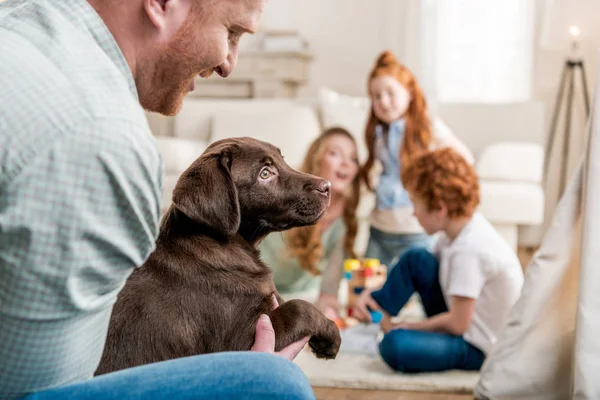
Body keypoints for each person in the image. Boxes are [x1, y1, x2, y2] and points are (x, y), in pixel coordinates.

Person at [0, 0, 314, 399]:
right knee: (273, 382)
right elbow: (41, 389)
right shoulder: (103, 137)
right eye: (231, 33)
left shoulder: (18, 21)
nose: (228, 63)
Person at [354, 148, 524, 373]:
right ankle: (375, 312)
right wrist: (375, 293)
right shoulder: (454, 231)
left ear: (440, 209)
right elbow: (416, 270)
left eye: (415, 203)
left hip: (477, 345)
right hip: (462, 320)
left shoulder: (469, 249)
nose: (413, 213)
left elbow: (458, 324)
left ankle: (385, 329)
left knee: (394, 345)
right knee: (416, 258)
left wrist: (408, 326)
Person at [361, 50, 474, 268]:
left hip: (415, 229)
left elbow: (464, 158)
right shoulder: (378, 134)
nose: (383, 101)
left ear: (410, 93)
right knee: (366, 285)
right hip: (380, 228)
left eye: (390, 93)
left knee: (423, 284)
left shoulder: (428, 129)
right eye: (376, 96)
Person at [260, 127, 360, 321]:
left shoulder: (345, 221)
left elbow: (329, 292)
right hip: (256, 290)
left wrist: (328, 310)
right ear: (316, 159)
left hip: (298, 296)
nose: (346, 162)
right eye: (335, 153)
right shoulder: (285, 195)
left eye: (354, 158)